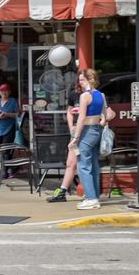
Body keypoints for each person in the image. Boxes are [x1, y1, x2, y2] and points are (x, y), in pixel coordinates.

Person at [58, 68, 108, 210]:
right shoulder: (101, 95)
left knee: (83, 165)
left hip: (86, 131)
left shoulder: (84, 96)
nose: (80, 81)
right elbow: (104, 116)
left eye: (82, 79)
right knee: (94, 164)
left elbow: (81, 119)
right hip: (96, 131)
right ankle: (95, 196)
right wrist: (99, 122)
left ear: (88, 80)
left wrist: (75, 137)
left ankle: (91, 198)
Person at [0, 83, 22, 147]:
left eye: (6, 91)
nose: (4, 93)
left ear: (9, 92)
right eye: (2, 91)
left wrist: (7, 115)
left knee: (5, 151)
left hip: (9, 129)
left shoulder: (13, 101)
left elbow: (18, 115)